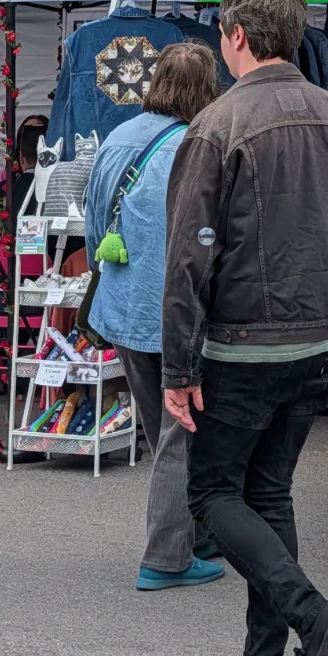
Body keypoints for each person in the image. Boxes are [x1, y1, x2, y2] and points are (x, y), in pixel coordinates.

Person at [163, 0, 328, 656]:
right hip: (318, 341)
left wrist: (178, 368)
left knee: (213, 494)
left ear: (234, 35)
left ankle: (311, 615)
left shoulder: (217, 125)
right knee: (266, 495)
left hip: (241, 344)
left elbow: (186, 258)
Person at [84, 43, 223, 593]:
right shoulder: (197, 144)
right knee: (182, 432)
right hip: (174, 309)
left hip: (121, 302)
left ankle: (192, 531)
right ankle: (166, 554)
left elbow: (95, 227)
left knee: (161, 427)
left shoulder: (119, 137)